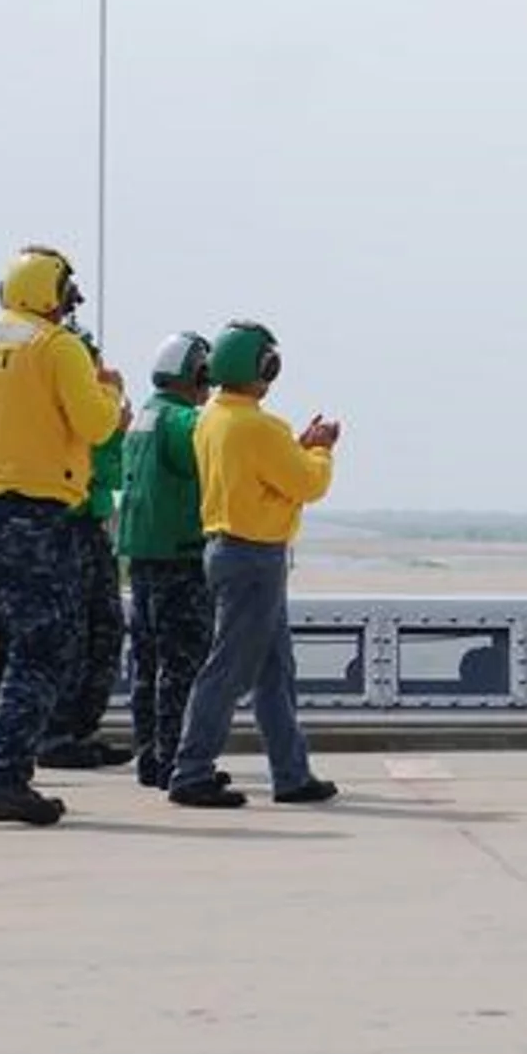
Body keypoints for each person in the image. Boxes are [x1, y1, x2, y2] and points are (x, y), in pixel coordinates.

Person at [0, 245, 128, 826]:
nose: (69, 309)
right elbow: (95, 424)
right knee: (44, 647)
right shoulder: (57, 347)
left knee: (2, 649)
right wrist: (113, 396)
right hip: (33, 515)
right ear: (52, 293)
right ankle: (3, 778)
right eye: (67, 297)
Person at [166, 320, 340, 809]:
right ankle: (191, 770)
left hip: (227, 550)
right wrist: (321, 448)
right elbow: (308, 484)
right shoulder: (260, 426)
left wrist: (297, 448)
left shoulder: (213, 418)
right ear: (264, 367)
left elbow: (266, 468)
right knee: (229, 671)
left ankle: (291, 773)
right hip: (255, 557)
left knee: (274, 671)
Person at [119, 331, 217, 789]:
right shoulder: (184, 422)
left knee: (147, 664)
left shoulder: (143, 416)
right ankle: (177, 758)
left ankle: (150, 757)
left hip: (142, 558)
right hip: (182, 559)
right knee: (182, 667)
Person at [35, 328, 135, 772]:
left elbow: (109, 473)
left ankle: (79, 730)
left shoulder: (94, 408)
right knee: (70, 633)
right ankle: (55, 733)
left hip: (91, 522)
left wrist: (114, 428)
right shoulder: (51, 404)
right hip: (65, 523)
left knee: (104, 629)